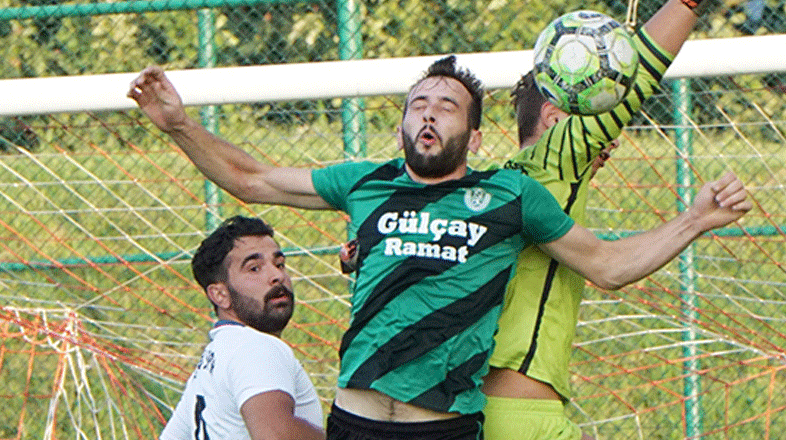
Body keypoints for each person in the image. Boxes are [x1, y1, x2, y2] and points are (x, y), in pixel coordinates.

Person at [129, 51, 750, 439]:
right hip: (357, 421)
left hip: (447, 428)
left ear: (475, 136)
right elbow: (251, 179)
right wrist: (180, 125)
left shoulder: (511, 196)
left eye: (447, 107)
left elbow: (609, 266)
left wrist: (694, 219)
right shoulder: (364, 183)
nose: (429, 115)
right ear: (403, 122)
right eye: (417, 104)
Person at [482, 1, 711, 439]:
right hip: (521, 415)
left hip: (475, 408)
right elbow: (640, 72)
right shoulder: (551, 163)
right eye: (595, 118)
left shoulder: (494, 185)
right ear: (554, 118)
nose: (608, 140)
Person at [159, 215, 325, 440]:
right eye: (254, 268)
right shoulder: (256, 347)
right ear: (220, 295)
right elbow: (275, 436)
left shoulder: (215, 358)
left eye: (279, 264)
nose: (277, 276)